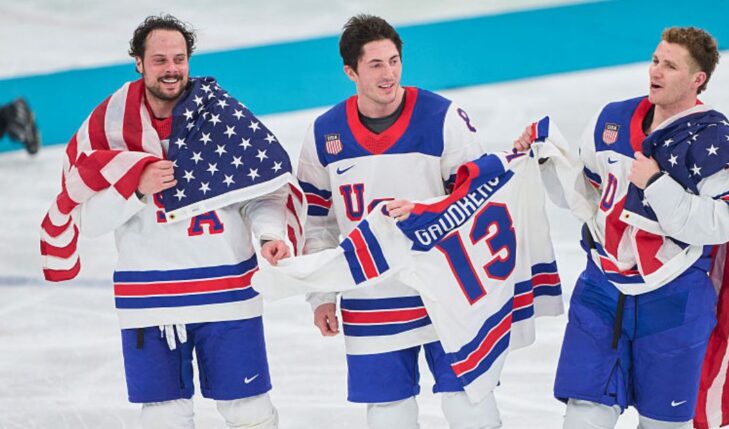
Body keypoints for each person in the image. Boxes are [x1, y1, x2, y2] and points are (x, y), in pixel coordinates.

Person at [514, 27, 729, 428]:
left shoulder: (715, 143)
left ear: (697, 80)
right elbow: (587, 197)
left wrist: (657, 185)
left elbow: (724, 223)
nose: (655, 71)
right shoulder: (612, 119)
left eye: (670, 66)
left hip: (674, 300)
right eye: (656, 60)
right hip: (600, 291)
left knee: (662, 424)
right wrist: (546, 161)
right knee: (583, 416)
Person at [39, 15, 296, 429]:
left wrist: (269, 235)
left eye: (179, 58)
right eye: (159, 59)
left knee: (249, 410)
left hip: (227, 292)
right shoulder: (108, 128)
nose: (171, 68)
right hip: (149, 298)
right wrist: (136, 187)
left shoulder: (223, 117)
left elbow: (263, 191)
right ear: (138, 62)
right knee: (164, 417)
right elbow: (88, 221)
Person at [297, 14, 502, 429]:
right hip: (371, 296)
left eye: (393, 61)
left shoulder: (443, 118)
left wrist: (429, 215)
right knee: (389, 416)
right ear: (350, 71)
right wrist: (321, 295)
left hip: (446, 289)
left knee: (470, 407)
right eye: (375, 65)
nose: (388, 74)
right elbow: (316, 221)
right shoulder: (325, 133)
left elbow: (481, 198)